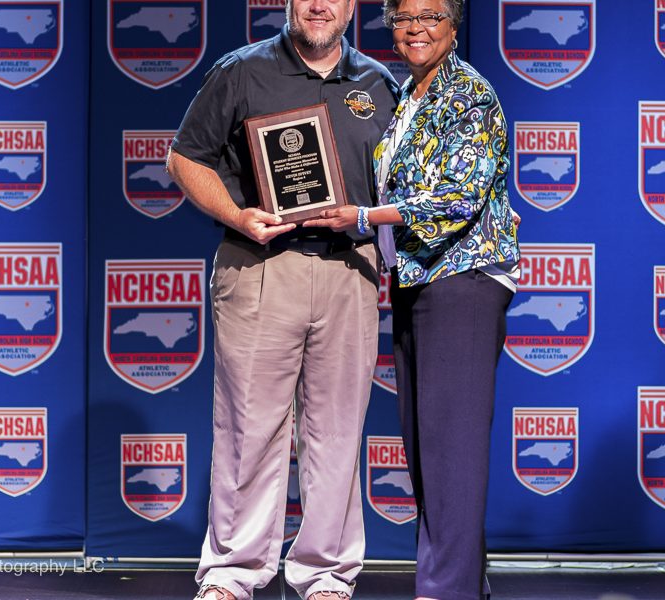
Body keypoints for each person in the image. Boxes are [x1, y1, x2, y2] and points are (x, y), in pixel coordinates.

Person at [165, 1, 399, 599]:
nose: (320, 5)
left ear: (353, 5)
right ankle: (232, 573)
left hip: (350, 270)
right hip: (260, 266)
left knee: (338, 431)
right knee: (248, 426)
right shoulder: (242, 71)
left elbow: (400, 188)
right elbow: (184, 158)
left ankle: (326, 573)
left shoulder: (379, 83)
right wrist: (236, 214)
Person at [303, 1, 520, 598]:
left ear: (454, 24)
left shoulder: (470, 94)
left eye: (431, 15)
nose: (415, 28)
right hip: (417, 279)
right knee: (428, 448)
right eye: (403, 17)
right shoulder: (405, 96)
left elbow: (458, 198)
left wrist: (363, 217)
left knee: (451, 447)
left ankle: (444, 591)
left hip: (463, 280)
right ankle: (460, 586)